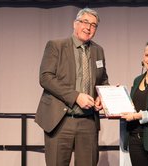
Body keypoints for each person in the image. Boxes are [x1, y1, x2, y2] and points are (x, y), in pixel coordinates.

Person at [35, 8, 109, 166]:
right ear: (75, 24)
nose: (88, 27)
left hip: (88, 122)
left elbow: (103, 80)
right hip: (60, 121)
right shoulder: (56, 46)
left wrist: (102, 97)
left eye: (94, 25)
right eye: (85, 22)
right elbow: (46, 78)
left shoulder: (98, 51)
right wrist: (76, 96)